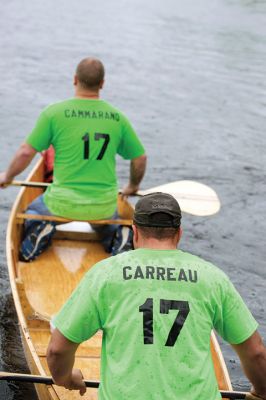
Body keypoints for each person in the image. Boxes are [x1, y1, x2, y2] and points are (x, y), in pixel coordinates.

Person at [46, 192, 266, 399]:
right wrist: (261, 391)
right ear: (179, 233)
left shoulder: (105, 274)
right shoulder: (213, 277)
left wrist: (66, 378)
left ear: (135, 232)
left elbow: (57, 350)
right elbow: (256, 353)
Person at [0, 57, 146, 261]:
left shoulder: (54, 113)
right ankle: (117, 236)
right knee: (112, 221)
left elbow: (25, 152)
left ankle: (41, 227)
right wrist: (132, 186)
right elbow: (139, 157)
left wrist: (8, 176)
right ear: (102, 84)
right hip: (102, 206)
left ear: (75, 79)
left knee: (32, 212)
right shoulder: (117, 117)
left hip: (60, 203)